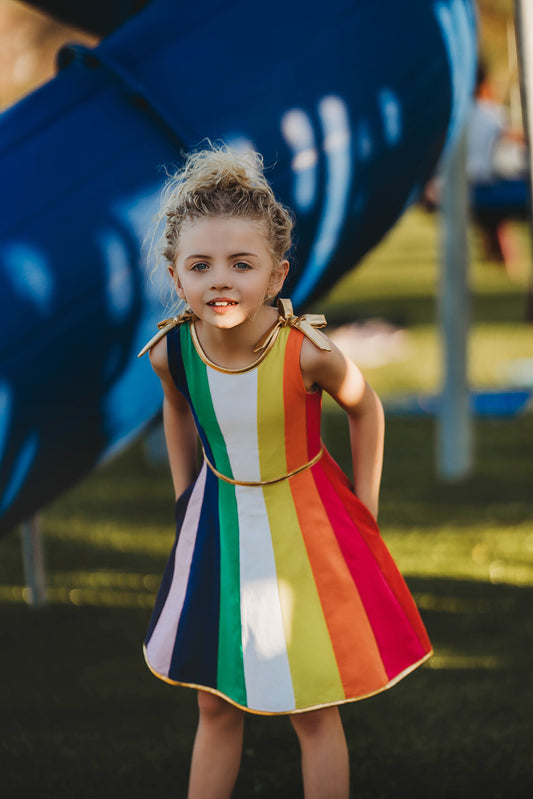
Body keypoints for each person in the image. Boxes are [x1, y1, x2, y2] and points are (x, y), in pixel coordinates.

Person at [139, 145, 432, 799]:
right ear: (176, 276)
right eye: (200, 265)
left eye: (241, 264)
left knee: (312, 703)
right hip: (217, 532)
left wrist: (365, 509)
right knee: (213, 700)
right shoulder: (172, 352)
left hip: (305, 532)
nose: (220, 280)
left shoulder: (307, 352)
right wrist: (185, 496)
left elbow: (366, 408)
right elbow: (178, 409)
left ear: (276, 275)